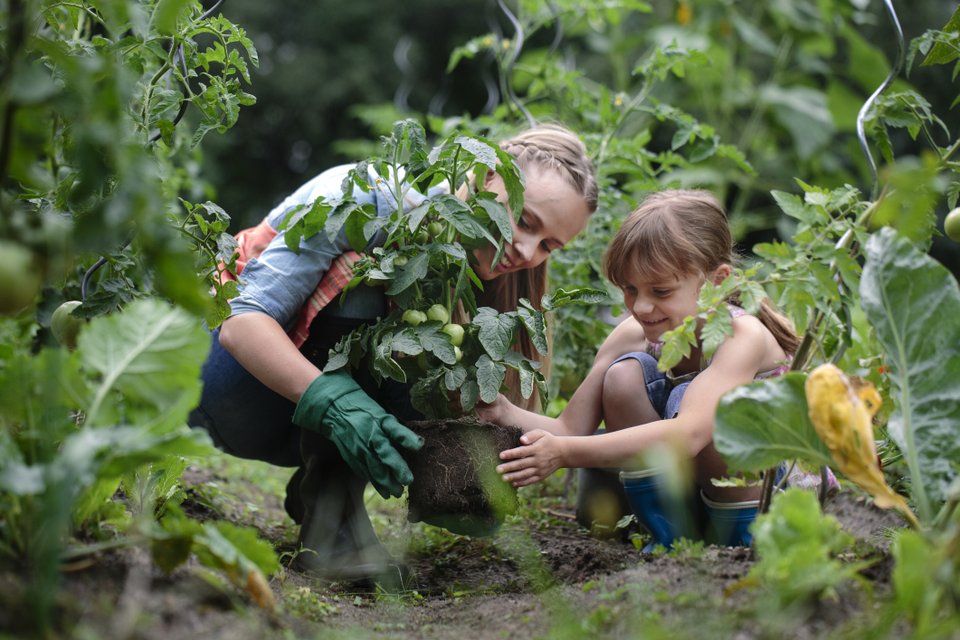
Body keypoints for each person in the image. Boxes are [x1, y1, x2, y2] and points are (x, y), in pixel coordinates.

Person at [188, 123, 598, 584]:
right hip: (219, 386)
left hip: (293, 419)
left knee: (431, 337)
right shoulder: (372, 201)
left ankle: (324, 500)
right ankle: (335, 520)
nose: (526, 250)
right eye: (524, 221)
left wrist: (467, 468)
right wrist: (333, 402)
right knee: (371, 274)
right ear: (486, 176)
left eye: (549, 246)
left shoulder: (485, 270)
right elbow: (241, 325)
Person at [477, 189, 802, 549]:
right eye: (630, 289)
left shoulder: (742, 335)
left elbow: (689, 434)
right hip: (691, 489)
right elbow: (570, 428)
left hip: (768, 499)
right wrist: (502, 411)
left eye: (661, 291)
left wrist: (564, 453)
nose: (642, 307)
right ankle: (669, 538)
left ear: (717, 280)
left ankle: (739, 545)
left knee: (721, 417)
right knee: (622, 377)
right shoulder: (634, 334)